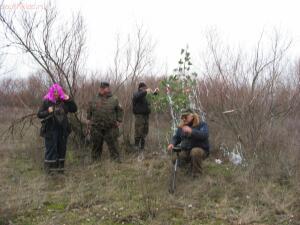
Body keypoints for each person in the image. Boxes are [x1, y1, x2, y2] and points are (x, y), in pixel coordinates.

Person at [37, 83, 77, 174]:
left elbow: (74, 109)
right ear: (51, 92)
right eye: (54, 92)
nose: (56, 94)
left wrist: (69, 99)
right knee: (51, 150)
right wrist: (48, 111)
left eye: (58, 92)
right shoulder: (46, 101)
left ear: (60, 92)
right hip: (50, 130)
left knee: (61, 149)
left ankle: (60, 172)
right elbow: (39, 114)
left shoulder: (64, 101)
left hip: (63, 130)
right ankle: (49, 173)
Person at [87, 81, 123, 163]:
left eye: (104, 88)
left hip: (111, 127)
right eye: (101, 88)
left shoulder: (114, 99)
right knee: (96, 146)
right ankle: (95, 162)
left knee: (114, 146)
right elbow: (89, 110)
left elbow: (120, 110)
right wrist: (88, 120)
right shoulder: (94, 99)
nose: (102, 90)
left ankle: (116, 162)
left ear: (108, 88)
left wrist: (119, 120)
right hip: (96, 127)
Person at [167, 108, 209, 177]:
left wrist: (192, 131)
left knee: (195, 152)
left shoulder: (202, 125)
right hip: (187, 150)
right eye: (182, 117)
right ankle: (188, 169)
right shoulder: (182, 127)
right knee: (175, 159)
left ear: (192, 116)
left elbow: (204, 135)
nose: (183, 119)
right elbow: (177, 137)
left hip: (201, 150)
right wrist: (172, 143)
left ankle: (197, 175)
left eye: (185, 117)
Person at [132, 82, 159, 153]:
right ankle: (136, 147)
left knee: (145, 131)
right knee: (138, 131)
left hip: (146, 116)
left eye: (146, 88)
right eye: (145, 88)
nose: (146, 89)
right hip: (139, 116)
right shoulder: (136, 93)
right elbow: (137, 96)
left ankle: (142, 148)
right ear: (141, 88)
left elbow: (152, 97)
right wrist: (145, 91)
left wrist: (155, 92)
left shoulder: (145, 95)